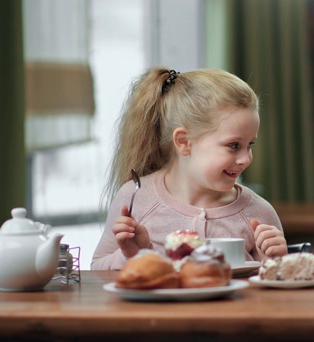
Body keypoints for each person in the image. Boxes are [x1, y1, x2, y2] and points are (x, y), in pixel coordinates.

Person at [92, 67, 287, 270]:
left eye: (250, 145)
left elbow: (278, 291)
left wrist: (274, 261)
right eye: (234, 145)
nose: (245, 159)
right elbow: (96, 269)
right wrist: (131, 256)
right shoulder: (136, 198)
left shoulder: (259, 213)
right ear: (184, 142)